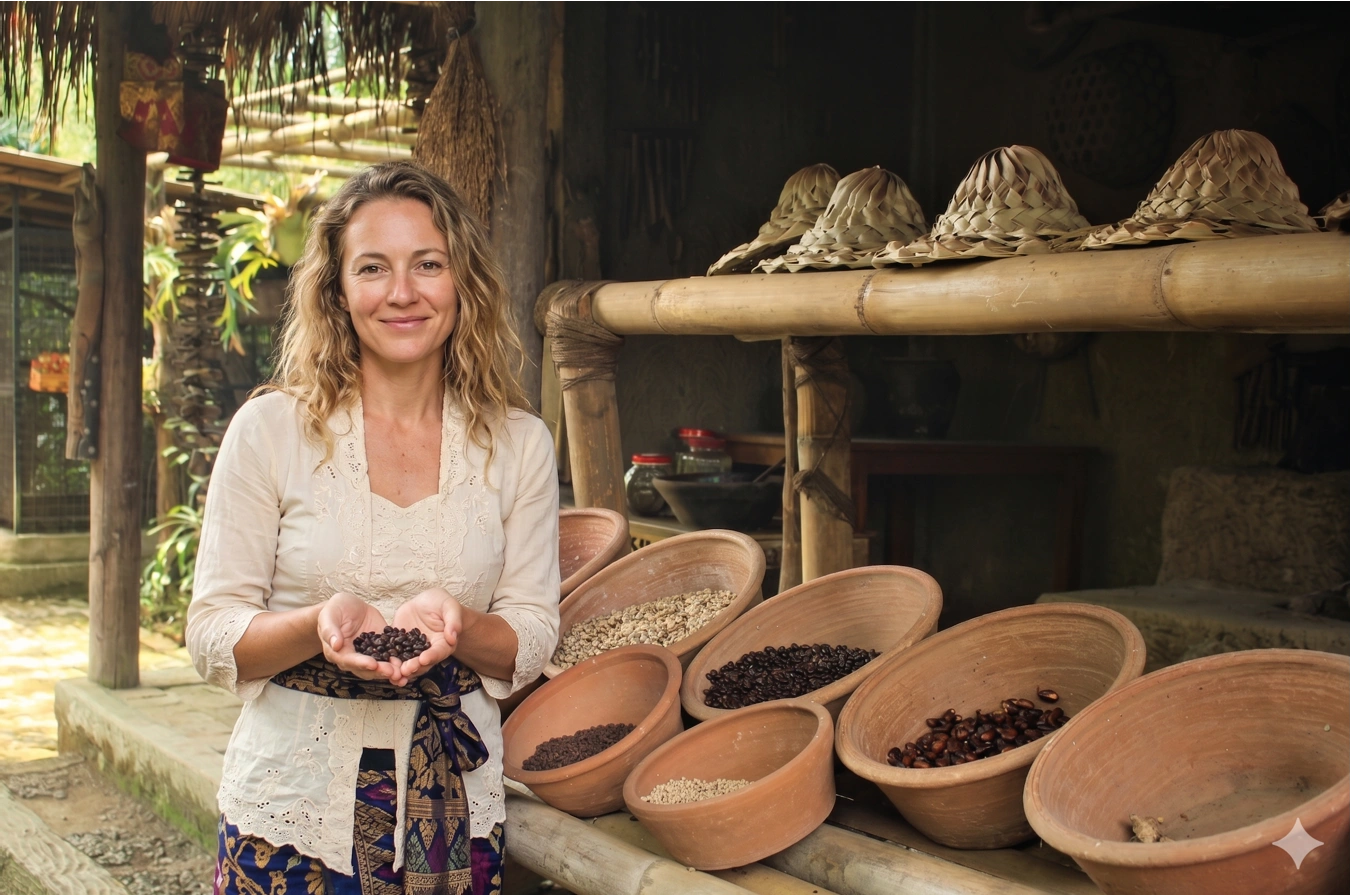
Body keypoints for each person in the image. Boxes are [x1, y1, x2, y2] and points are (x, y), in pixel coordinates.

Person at [186, 161, 560, 895]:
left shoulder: (518, 443)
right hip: (288, 810)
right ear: (336, 290)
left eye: (428, 264)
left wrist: (461, 626)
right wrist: (318, 623)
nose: (401, 292)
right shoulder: (272, 430)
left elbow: (533, 634)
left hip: (453, 798)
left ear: (463, 284)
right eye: (372, 268)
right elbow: (212, 632)